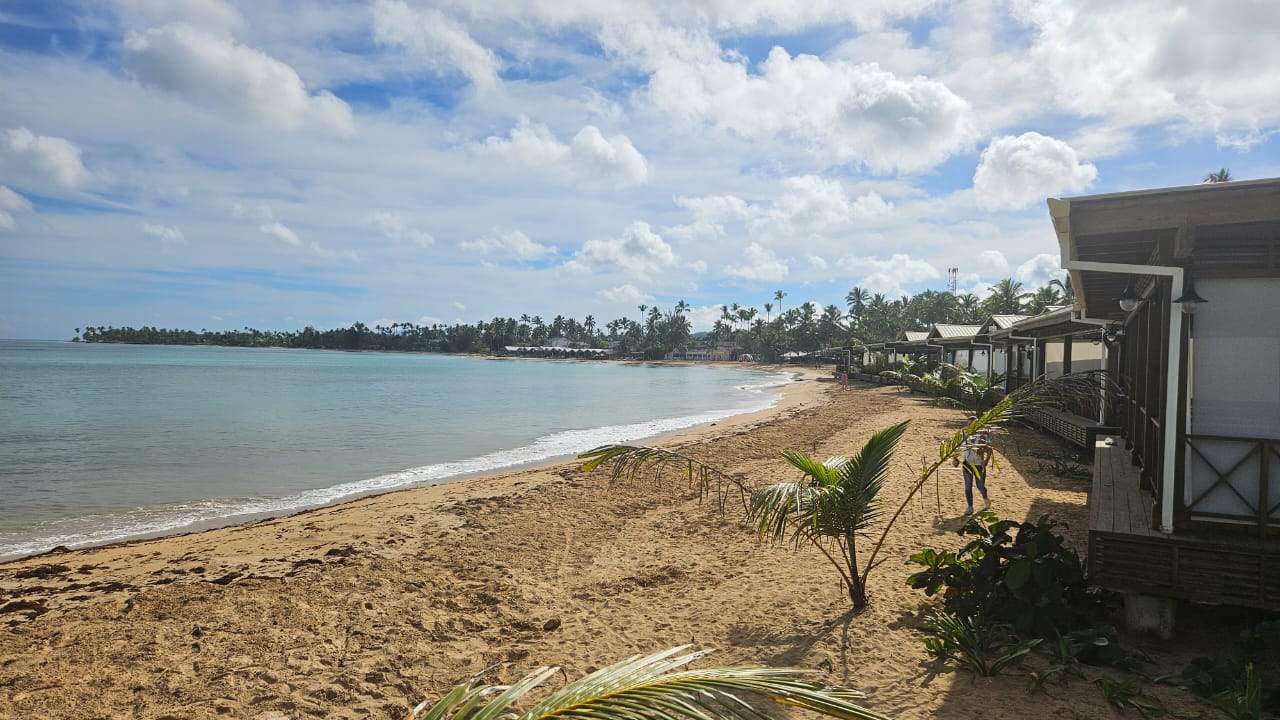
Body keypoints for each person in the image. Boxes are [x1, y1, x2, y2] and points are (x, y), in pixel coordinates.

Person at [953, 429, 993, 516]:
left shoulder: (983, 435)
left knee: (980, 486)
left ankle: (985, 497)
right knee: (968, 486)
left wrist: (986, 460)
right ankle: (970, 506)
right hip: (967, 464)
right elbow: (957, 448)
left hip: (979, 465)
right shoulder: (964, 436)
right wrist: (955, 459)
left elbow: (989, 449)